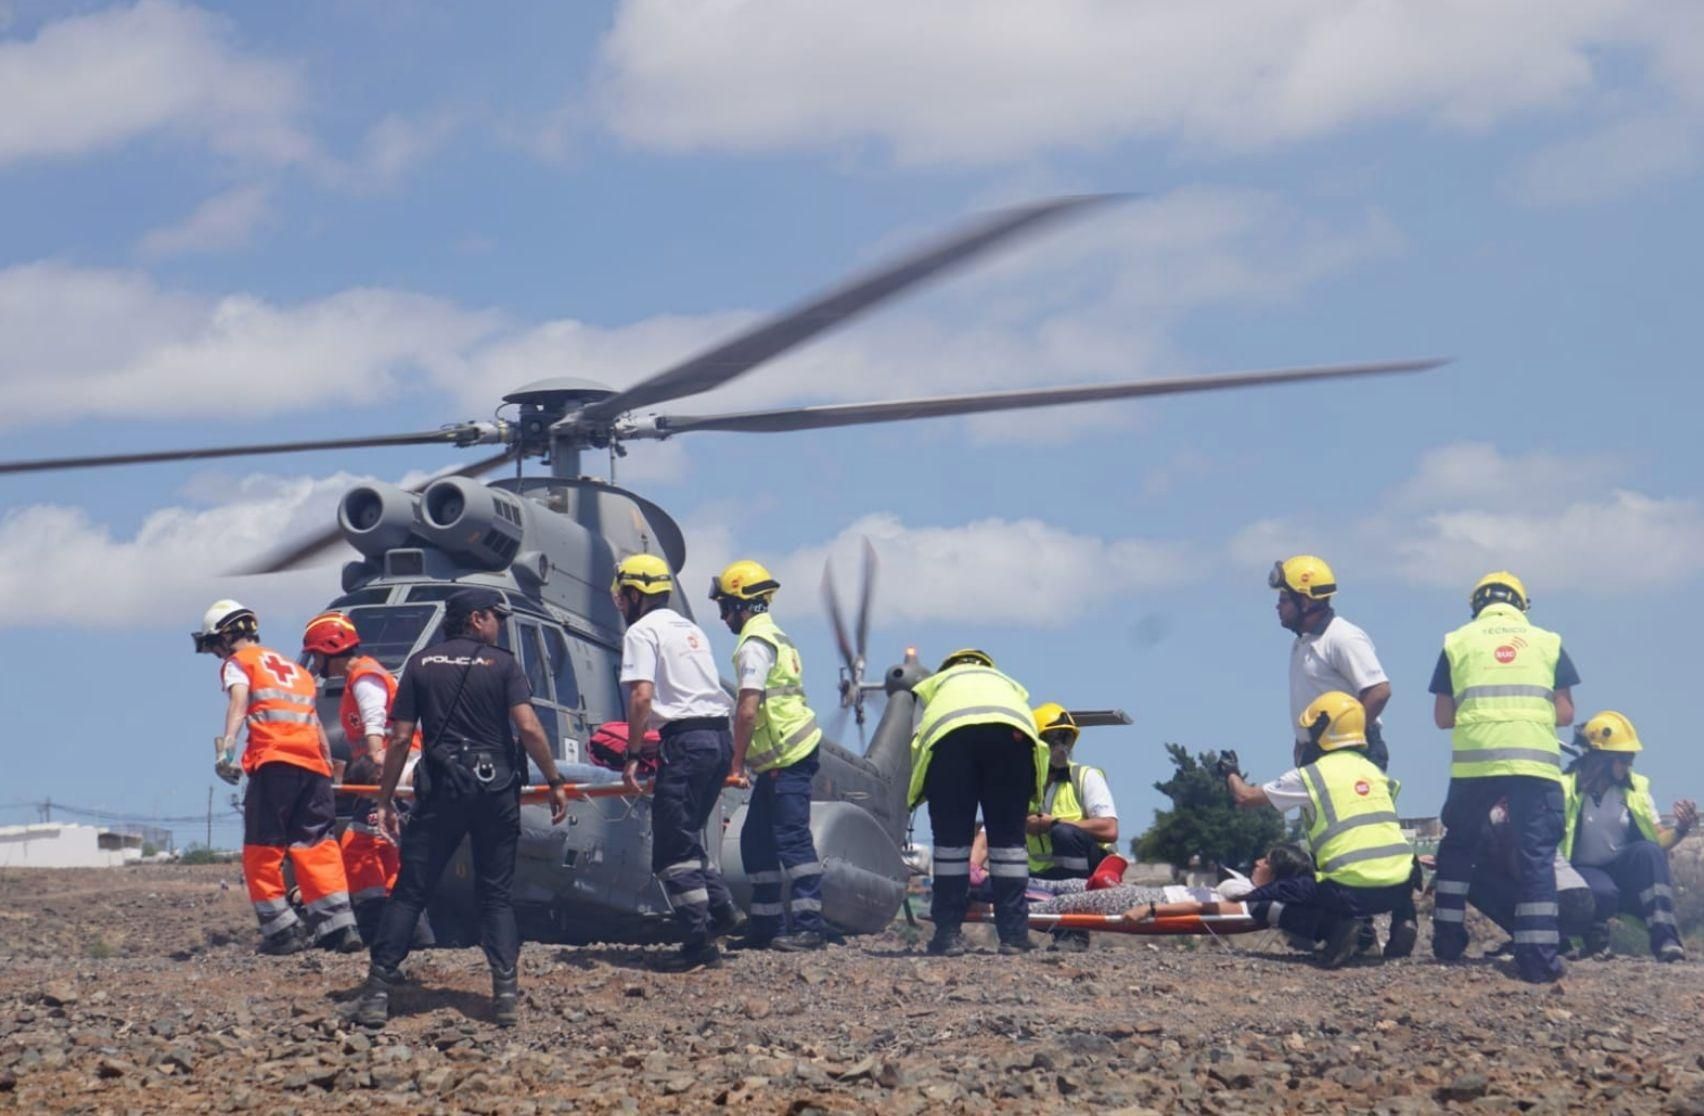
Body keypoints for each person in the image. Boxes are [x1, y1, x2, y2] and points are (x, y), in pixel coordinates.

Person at [354, 588, 571, 1029]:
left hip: (442, 788)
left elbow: (398, 739)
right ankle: (505, 997)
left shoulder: (419, 665)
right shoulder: (505, 664)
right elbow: (527, 727)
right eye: (496, 616)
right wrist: (553, 780)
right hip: (495, 789)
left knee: (412, 890)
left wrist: (385, 797)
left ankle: (377, 990)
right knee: (495, 894)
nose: (500, 624)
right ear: (476, 619)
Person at [1428, 571, 1578, 984]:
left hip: (1475, 763)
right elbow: (1565, 714)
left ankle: (1447, 943)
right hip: (1534, 764)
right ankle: (1538, 959)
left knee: (1458, 847)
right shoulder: (1548, 642)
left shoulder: (1457, 642)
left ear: (1476, 605)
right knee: (1535, 855)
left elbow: (1443, 718)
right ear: (1521, 605)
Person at [195, 599, 361, 956]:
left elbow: (239, 702)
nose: (215, 654)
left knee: (263, 845)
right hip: (314, 768)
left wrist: (226, 748)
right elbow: (315, 724)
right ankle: (339, 926)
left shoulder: (239, 664)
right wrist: (328, 765)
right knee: (316, 844)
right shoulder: (297, 671)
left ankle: (282, 930)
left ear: (225, 637)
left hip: (275, 762)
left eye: (213, 645)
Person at [613, 554, 744, 972]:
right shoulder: (689, 628)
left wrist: (633, 754)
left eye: (621, 592)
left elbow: (641, 698)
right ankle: (722, 912)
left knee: (671, 850)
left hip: (686, 742)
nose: (617, 599)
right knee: (687, 837)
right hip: (717, 739)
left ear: (636, 593)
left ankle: (698, 942)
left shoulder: (641, 632)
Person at [1219, 691, 1418, 967]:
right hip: (1400, 886)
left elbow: (1246, 797)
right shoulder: (1375, 773)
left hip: (1350, 893)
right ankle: (1404, 919)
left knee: (1276, 900)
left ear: (1324, 730)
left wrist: (1230, 773)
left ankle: (1338, 932)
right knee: (1394, 863)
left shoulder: (1312, 775)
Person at [710, 559, 829, 953]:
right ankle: (766, 925)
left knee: (791, 840)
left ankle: (810, 926)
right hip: (784, 756)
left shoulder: (754, 646)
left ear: (742, 604)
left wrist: (735, 762)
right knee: (755, 840)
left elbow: (747, 709)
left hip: (787, 755)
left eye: (726, 606)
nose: (724, 616)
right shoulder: (778, 637)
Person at [301, 610, 424, 944]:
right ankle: (410, 932)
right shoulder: (363, 675)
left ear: (328, 649)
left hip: (393, 770)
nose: (314, 663)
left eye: (315, 655)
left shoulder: (365, 677)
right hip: (384, 771)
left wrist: (380, 763)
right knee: (386, 849)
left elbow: (374, 722)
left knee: (359, 845)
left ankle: (375, 926)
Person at [908, 649, 1040, 957]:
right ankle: (1014, 936)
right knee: (1009, 846)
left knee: (951, 847)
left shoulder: (933, 685)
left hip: (951, 742)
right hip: (1011, 739)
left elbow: (917, 740)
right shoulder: (1007, 683)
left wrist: (919, 793)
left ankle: (948, 934)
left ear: (948, 668)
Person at [1560, 710, 1696, 962]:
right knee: (1603, 892)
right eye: (1623, 759)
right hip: (1582, 872)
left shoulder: (1635, 791)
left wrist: (1680, 829)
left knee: (1649, 851)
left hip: (1622, 868)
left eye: (1630, 758)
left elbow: (1658, 841)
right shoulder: (1565, 789)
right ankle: (1591, 939)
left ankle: (1666, 940)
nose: (1629, 765)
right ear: (1602, 758)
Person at [1270, 555, 1394, 770]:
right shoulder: (1302, 643)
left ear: (1305, 602)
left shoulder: (1343, 637)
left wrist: (1343, 741)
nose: (1277, 607)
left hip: (1352, 755)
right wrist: (1302, 745)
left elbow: (1379, 691)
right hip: (1317, 754)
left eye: (1284, 600)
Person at [1027, 703, 1118, 952]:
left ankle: (1075, 932)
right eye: (1052, 738)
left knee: (1063, 833)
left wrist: (1054, 822)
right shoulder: (1025, 786)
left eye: (1064, 738)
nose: (1060, 746)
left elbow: (1110, 829)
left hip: (1088, 876)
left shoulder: (1085, 777)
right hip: (1043, 875)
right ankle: (1020, 933)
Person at [1127, 843, 1317, 922]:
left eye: (1266, 862)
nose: (1257, 862)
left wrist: (1150, 909)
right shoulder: (1250, 891)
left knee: (1099, 895)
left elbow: (1200, 907)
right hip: (1160, 895)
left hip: (1157, 900)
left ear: (1278, 875)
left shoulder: (1253, 902)